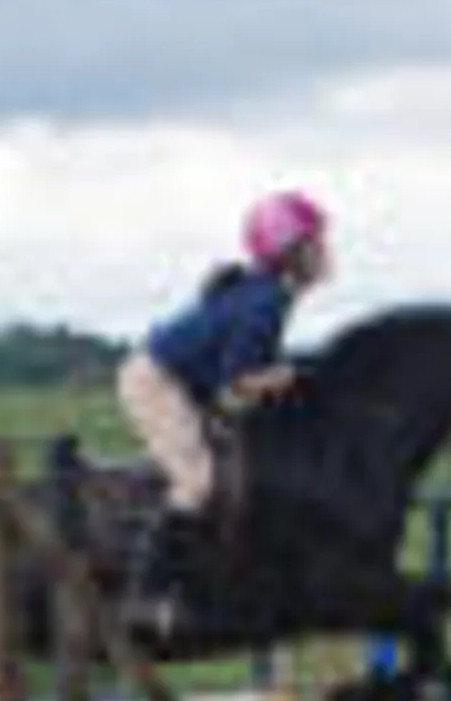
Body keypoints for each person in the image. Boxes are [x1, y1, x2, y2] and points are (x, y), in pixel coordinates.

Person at [116, 188, 333, 625]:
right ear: (291, 253)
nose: (326, 251)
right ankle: (145, 591)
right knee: (197, 482)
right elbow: (235, 383)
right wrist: (291, 374)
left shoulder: (272, 294)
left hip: (182, 381)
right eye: (316, 242)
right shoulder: (267, 300)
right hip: (156, 382)